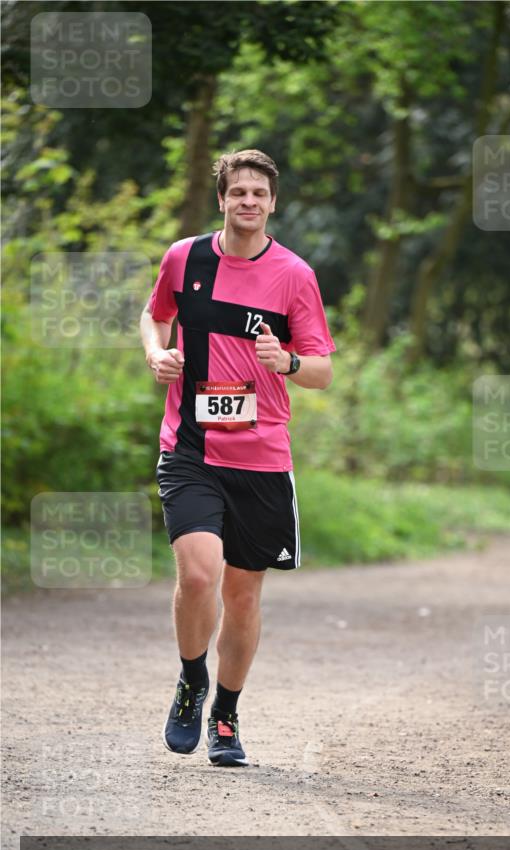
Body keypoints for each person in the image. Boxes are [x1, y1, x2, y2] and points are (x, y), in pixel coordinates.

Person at [140, 149, 335, 764]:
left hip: (261, 458)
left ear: (272, 203)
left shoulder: (295, 275)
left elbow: (323, 369)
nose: (247, 201)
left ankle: (225, 713)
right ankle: (191, 677)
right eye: (237, 192)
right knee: (199, 574)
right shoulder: (185, 257)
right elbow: (154, 316)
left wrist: (291, 363)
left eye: (259, 193)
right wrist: (157, 354)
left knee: (244, 597)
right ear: (221, 199)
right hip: (191, 447)